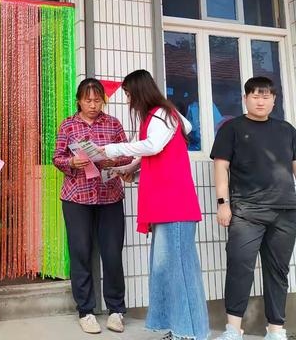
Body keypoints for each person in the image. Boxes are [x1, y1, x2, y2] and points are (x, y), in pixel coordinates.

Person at [102, 70, 209, 340]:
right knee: (165, 269)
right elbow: (159, 154)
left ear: (138, 91)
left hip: (175, 206)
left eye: (128, 94)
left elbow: (153, 146)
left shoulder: (161, 114)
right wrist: (129, 169)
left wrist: (114, 150)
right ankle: (180, 328)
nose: (127, 100)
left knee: (179, 269)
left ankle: (190, 332)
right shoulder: (162, 115)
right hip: (166, 205)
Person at [211, 76, 296, 340]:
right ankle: (233, 330)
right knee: (239, 267)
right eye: (255, 96)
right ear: (245, 98)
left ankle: (276, 330)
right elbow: (221, 167)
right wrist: (223, 204)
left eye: (266, 96)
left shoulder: (286, 129)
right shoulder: (231, 128)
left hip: (285, 211)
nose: (260, 101)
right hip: (246, 211)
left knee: (278, 271)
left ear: (274, 101)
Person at [53, 78, 131, 334]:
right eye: (88, 100)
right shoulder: (68, 124)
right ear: (79, 100)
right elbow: (57, 157)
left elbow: (128, 154)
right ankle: (85, 311)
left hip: (110, 196)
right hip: (77, 198)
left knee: (112, 254)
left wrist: (110, 158)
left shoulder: (113, 123)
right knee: (80, 253)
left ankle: (116, 310)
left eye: (98, 100)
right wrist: (71, 163)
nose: (93, 104)